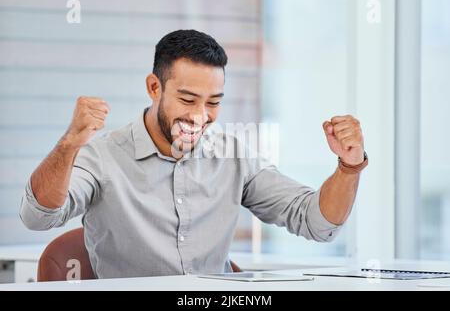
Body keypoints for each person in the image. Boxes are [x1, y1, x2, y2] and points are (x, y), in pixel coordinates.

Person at [20, 30, 368, 278]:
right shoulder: (103, 156)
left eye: (213, 102)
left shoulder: (233, 156)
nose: (200, 115)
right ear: (154, 88)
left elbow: (317, 224)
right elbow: (38, 217)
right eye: (188, 99)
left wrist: (349, 166)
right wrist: (69, 143)